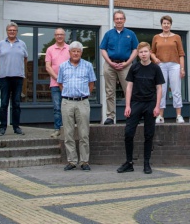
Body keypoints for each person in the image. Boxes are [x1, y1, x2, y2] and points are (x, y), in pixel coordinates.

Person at [117, 42, 165, 174]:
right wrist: (127, 105)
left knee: (149, 135)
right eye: (141, 52)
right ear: (138, 54)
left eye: (145, 51)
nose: (143, 54)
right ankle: (129, 163)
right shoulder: (134, 67)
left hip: (150, 104)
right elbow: (129, 87)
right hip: (135, 103)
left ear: (150, 52)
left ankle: (146, 163)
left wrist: (157, 106)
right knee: (128, 133)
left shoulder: (156, 68)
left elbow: (159, 88)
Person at [57, 41, 96, 171]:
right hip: (67, 102)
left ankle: (84, 161)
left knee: (84, 133)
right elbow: (60, 84)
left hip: (83, 102)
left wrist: (84, 95)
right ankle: (72, 161)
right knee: (68, 133)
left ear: (81, 52)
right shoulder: (63, 66)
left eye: (78, 51)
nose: (75, 53)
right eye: (73, 51)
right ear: (69, 52)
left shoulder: (88, 65)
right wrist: (69, 94)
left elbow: (91, 84)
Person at [100, 10, 139, 125]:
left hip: (125, 65)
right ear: (114, 20)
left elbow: (135, 50)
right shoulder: (108, 34)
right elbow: (103, 49)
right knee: (109, 91)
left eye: (121, 18)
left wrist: (127, 63)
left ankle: (131, 115)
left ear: (124, 20)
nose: (119, 21)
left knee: (129, 90)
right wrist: (110, 62)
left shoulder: (130, 34)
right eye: (117, 19)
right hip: (110, 65)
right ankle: (110, 117)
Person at [150, 15, 186, 124]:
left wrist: (182, 68)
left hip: (175, 65)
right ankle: (160, 116)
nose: (166, 25)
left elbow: (181, 54)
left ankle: (179, 115)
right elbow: (152, 52)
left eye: (168, 23)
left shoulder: (177, 37)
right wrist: (155, 59)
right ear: (161, 25)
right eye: (164, 23)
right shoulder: (156, 37)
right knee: (161, 90)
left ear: (171, 25)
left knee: (176, 90)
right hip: (161, 65)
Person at [0, 22, 28, 136]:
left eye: (14, 30)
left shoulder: (22, 44)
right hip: (4, 78)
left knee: (16, 104)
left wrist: (16, 68)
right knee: (4, 103)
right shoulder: (1, 44)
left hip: (18, 78)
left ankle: (16, 127)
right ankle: (2, 127)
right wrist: (4, 68)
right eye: (10, 30)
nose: (12, 32)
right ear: (7, 31)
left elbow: (25, 59)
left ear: (17, 32)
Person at [45, 28, 70, 138]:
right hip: (55, 84)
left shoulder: (70, 48)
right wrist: (58, 78)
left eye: (61, 34)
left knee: (69, 107)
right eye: (57, 34)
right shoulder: (50, 49)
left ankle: (68, 129)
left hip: (69, 84)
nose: (59, 36)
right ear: (54, 36)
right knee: (57, 108)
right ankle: (57, 129)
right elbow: (48, 67)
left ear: (64, 36)